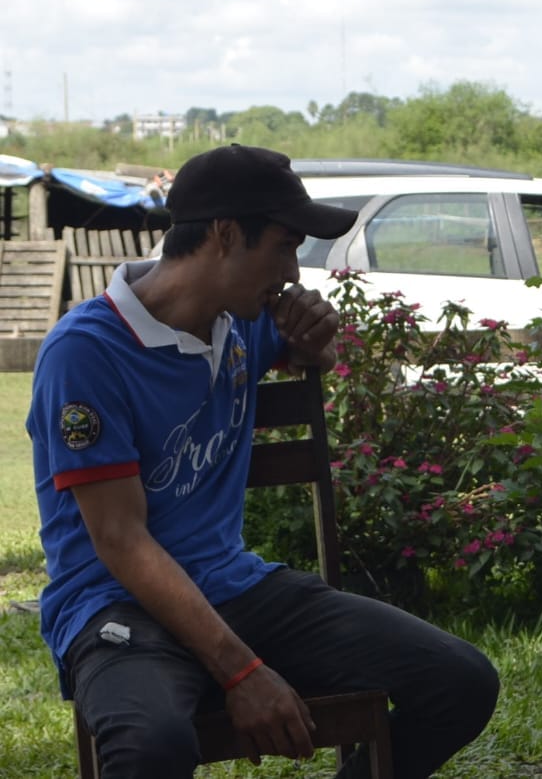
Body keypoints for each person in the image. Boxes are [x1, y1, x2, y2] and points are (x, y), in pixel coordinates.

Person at [27, 144, 500, 778]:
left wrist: (318, 340)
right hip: (116, 605)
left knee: (461, 681)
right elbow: (120, 540)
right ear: (224, 235)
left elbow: (312, 353)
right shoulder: (86, 353)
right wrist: (242, 671)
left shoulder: (241, 318)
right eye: (283, 248)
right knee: (151, 746)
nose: (293, 273)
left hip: (238, 587)